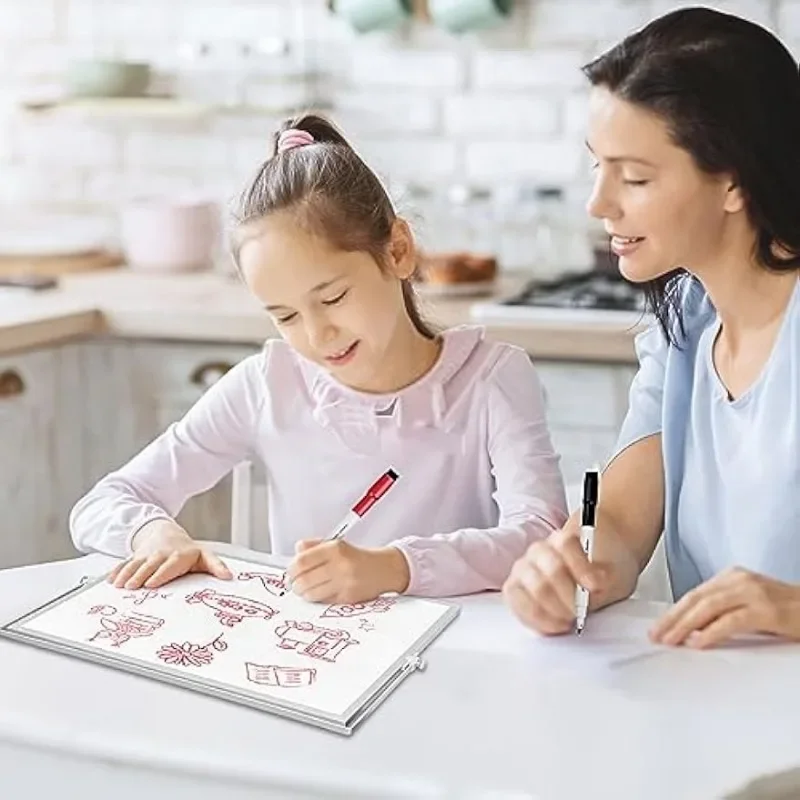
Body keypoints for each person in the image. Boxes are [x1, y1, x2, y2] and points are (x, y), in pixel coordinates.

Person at [70, 114, 568, 603]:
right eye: (284, 316)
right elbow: (104, 503)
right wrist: (154, 535)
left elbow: (541, 535)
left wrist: (396, 567)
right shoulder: (267, 384)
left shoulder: (491, 378)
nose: (316, 334)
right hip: (319, 664)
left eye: (332, 299)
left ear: (397, 250)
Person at [503, 7, 800, 649]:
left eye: (635, 177)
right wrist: (575, 568)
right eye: (598, 166)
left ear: (733, 182)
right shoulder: (687, 319)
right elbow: (621, 520)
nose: (598, 203)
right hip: (723, 713)